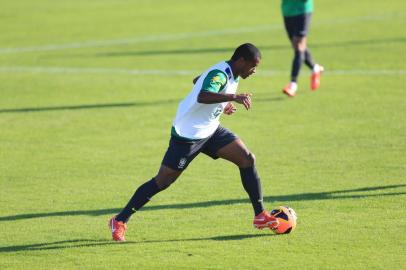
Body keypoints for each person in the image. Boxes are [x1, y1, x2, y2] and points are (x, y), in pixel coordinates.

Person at [108, 43, 279, 241]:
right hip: (188, 135)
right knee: (163, 181)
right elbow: (202, 94)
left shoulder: (232, 73)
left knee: (247, 159)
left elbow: (197, 80)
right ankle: (119, 220)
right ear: (241, 61)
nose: (254, 71)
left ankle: (260, 215)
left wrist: (223, 104)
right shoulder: (220, 74)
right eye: (253, 66)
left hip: (211, 129)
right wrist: (232, 97)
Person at [281, 0, 324, 97]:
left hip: (302, 11)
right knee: (297, 46)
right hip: (287, 10)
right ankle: (315, 68)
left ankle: (293, 84)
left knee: (299, 46)